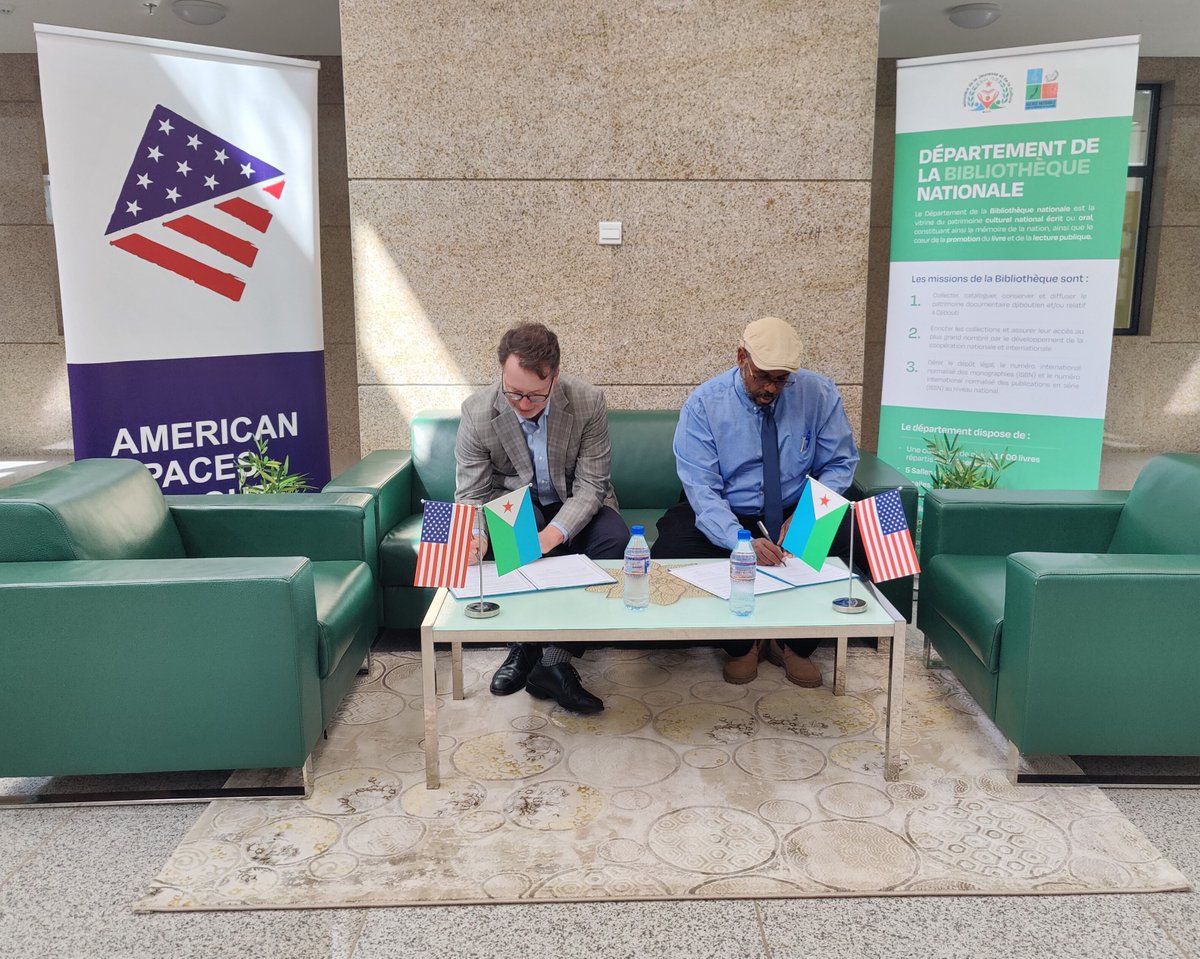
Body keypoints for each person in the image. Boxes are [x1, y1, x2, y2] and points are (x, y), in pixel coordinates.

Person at [652, 316, 859, 686]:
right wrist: (738, 541)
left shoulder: (819, 393)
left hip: (796, 508)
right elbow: (701, 487)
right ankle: (742, 643)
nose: (771, 388)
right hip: (731, 511)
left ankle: (794, 644)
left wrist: (811, 514)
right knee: (672, 543)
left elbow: (840, 462)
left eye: (782, 379)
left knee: (851, 533)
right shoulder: (704, 403)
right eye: (762, 376)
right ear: (741, 358)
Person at [456, 322, 629, 714]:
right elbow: (471, 493)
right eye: (513, 392)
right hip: (515, 504)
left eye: (534, 395)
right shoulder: (477, 411)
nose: (522, 403)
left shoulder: (587, 401)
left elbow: (592, 485)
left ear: (555, 375)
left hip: (576, 501)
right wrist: (477, 537)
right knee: (516, 525)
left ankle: (553, 659)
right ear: (501, 372)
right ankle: (524, 645)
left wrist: (551, 536)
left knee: (615, 541)